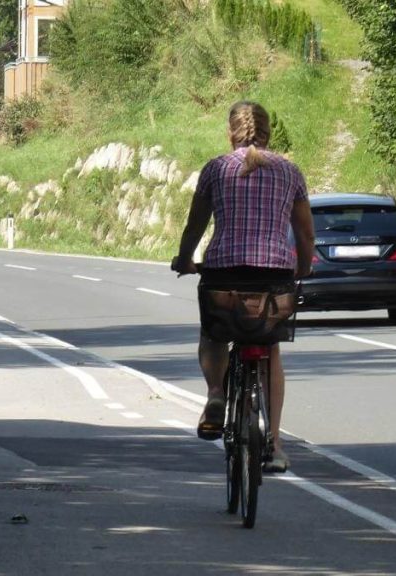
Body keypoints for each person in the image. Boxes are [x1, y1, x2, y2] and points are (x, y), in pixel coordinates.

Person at [173, 101, 315, 472]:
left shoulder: (216, 169)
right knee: (270, 349)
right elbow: (305, 232)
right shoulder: (289, 171)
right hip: (274, 275)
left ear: (230, 132)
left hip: (224, 272)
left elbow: (195, 225)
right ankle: (275, 444)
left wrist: (184, 259)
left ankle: (215, 394)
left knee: (214, 333)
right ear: (269, 131)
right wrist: (302, 267)